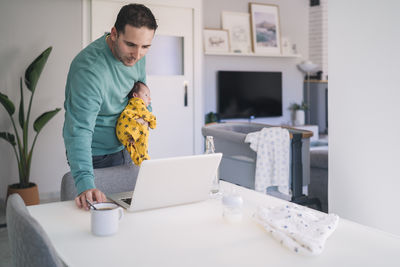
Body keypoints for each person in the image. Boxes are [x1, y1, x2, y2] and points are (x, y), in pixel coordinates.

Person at [63, 4, 157, 210]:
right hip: (94, 155)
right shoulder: (89, 70)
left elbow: (139, 93)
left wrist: (145, 115)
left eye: (145, 46)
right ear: (114, 34)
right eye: (131, 45)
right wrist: (85, 183)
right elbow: (78, 130)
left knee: (129, 213)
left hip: (125, 147)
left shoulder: (137, 55)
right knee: (94, 219)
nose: (137, 54)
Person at [116, 81, 156, 166]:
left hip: (122, 131)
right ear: (135, 95)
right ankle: (144, 159)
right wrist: (153, 121)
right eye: (146, 95)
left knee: (132, 148)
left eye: (149, 96)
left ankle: (139, 161)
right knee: (143, 138)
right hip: (130, 127)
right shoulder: (137, 102)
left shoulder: (131, 106)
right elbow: (146, 114)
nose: (149, 99)